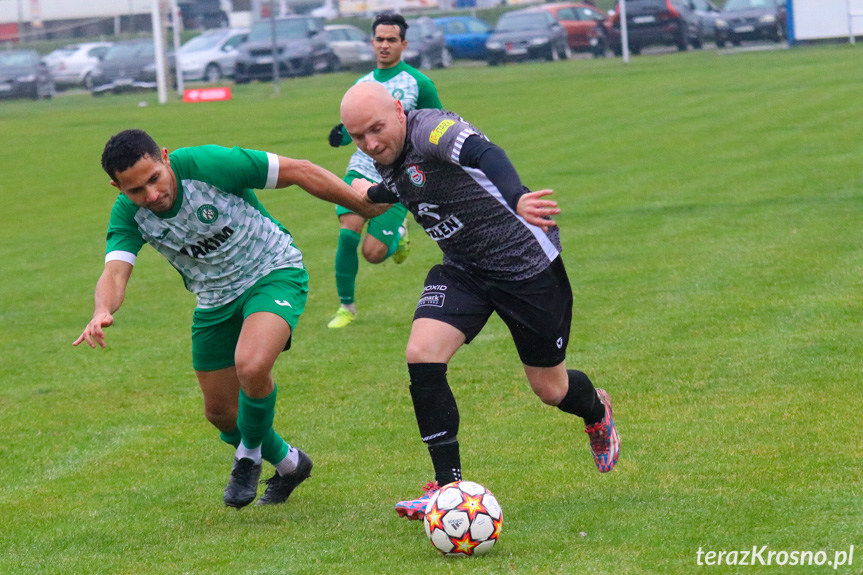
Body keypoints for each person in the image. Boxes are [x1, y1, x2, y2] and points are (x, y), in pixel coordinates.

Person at [339, 83, 621, 519]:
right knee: (421, 354)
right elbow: (397, 189)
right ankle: (446, 489)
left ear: (399, 110)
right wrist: (360, 193)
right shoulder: (386, 158)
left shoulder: (431, 129)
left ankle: (596, 410)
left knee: (551, 389)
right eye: (359, 137)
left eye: (376, 129)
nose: (371, 143)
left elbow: (483, 154)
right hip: (464, 269)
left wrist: (516, 198)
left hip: (525, 268)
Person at [73, 129, 384, 509]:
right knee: (221, 413)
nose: (151, 195)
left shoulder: (211, 164)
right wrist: (102, 309)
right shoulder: (129, 214)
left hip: (272, 271)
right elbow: (115, 272)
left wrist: (360, 203)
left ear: (165, 157)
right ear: (117, 187)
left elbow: (300, 170)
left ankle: (248, 456)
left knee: (251, 367)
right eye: (136, 190)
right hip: (214, 300)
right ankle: (290, 463)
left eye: (154, 179)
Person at [324, 12, 443, 329]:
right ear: (372, 42)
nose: (385, 45)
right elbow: (355, 124)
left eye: (392, 40)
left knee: (373, 254)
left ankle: (399, 232)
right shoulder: (361, 85)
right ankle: (346, 308)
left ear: (403, 44)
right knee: (348, 232)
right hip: (361, 168)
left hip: (398, 176)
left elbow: (436, 125)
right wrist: (342, 133)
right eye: (379, 39)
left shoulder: (419, 83)